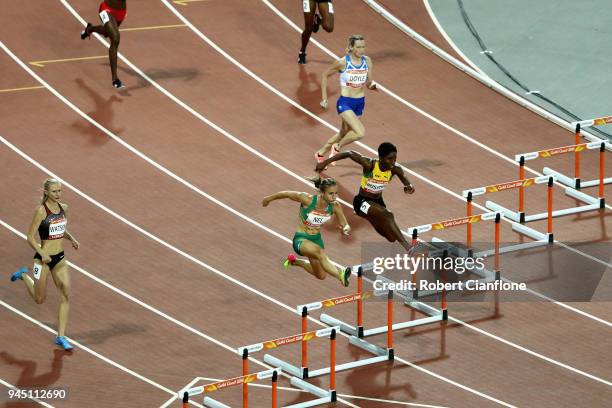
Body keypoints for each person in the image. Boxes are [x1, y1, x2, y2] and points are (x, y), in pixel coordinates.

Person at [10, 178, 80, 351]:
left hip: (60, 259)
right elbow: (30, 237)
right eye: (55, 191)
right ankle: (24, 275)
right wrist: (41, 253)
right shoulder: (41, 211)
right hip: (42, 260)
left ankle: (61, 337)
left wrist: (71, 238)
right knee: (39, 299)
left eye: (60, 191)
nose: (58, 194)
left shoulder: (65, 208)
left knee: (65, 295)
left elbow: (59, 229)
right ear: (46, 192)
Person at [315, 142, 415, 253]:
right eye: (389, 158)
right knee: (388, 215)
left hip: (378, 202)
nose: (393, 162)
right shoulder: (370, 165)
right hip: (362, 201)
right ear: (380, 158)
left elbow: (407, 183)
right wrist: (325, 163)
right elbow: (349, 153)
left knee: (391, 238)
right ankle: (408, 247)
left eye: (395, 158)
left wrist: (409, 187)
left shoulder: (395, 169)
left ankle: (370, 216)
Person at [262, 178, 351, 286]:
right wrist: (268, 199)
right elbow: (286, 194)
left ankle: (295, 261)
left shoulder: (335, 206)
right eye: (331, 193)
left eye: (336, 193)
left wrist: (345, 229)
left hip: (316, 240)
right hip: (302, 238)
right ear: (322, 193)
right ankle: (340, 275)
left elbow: (344, 223)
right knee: (319, 252)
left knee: (321, 275)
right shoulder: (307, 199)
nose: (334, 196)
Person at [315, 35, 376, 165]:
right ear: (351, 48)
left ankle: (321, 152)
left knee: (344, 132)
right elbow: (325, 75)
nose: (362, 50)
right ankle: (337, 147)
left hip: (359, 103)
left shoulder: (368, 61)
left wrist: (372, 86)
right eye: (358, 47)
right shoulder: (342, 62)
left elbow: (369, 83)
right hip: (345, 102)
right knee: (360, 133)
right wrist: (324, 98)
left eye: (363, 46)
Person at [80, 0, 127, 89]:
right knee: (115, 38)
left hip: (121, 12)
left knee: (107, 33)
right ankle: (115, 80)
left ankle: (89, 29)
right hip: (107, 9)